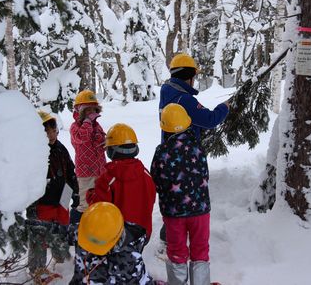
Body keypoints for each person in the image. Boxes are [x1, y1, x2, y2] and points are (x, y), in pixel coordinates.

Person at [157, 53, 230, 245]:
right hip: (187, 155)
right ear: (188, 76)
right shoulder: (184, 100)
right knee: (186, 193)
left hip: (169, 153)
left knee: (174, 195)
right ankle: (173, 238)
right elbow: (210, 119)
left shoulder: (167, 93)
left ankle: (171, 233)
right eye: (194, 76)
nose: (194, 80)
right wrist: (225, 107)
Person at [150, 103, 215, 285]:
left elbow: (155, 179)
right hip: (201, 211)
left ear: (165, 128)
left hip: (174, 213)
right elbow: (205, 175)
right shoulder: (198, 148)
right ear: (187, 124)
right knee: (200, 250)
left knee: (177, 251)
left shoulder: (162, 151)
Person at [27, 111, 79, 278]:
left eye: (53, 130)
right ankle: (37, 270)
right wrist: (31, 205)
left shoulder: (61, 148)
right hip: (42, 203)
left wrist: (75, 192)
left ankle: (61, 259)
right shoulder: (34, 152)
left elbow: (70, 171)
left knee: (62, 230)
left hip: (62, 199)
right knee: (39, 237)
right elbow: (27, 181)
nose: (51, 135)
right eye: (46, 131)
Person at [86, 123, 157, 241]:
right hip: (142, 234)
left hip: (116, 236)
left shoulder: (107, 179)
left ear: (111, 150)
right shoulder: (145, 173)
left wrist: (90, 194)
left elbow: (98, 207)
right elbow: (151, 198)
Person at [69, 202, 154, 284]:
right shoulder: (84, 230)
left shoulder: (130, 260)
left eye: (96, 244)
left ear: (115, 241)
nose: (89, 249)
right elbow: (65, 232)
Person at [70, 89, 107, 223]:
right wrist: (87, 122)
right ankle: (76, 227)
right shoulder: (75, 127)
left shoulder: (97, 126)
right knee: (85, 204)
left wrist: (104, 140)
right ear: (79, 111)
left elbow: (101, 143)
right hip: (85, 172)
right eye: (87, 110)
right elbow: (82, 137)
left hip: (100, 170)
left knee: (100, 199)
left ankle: (97, 224)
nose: (91, 113)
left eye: (93, 110)